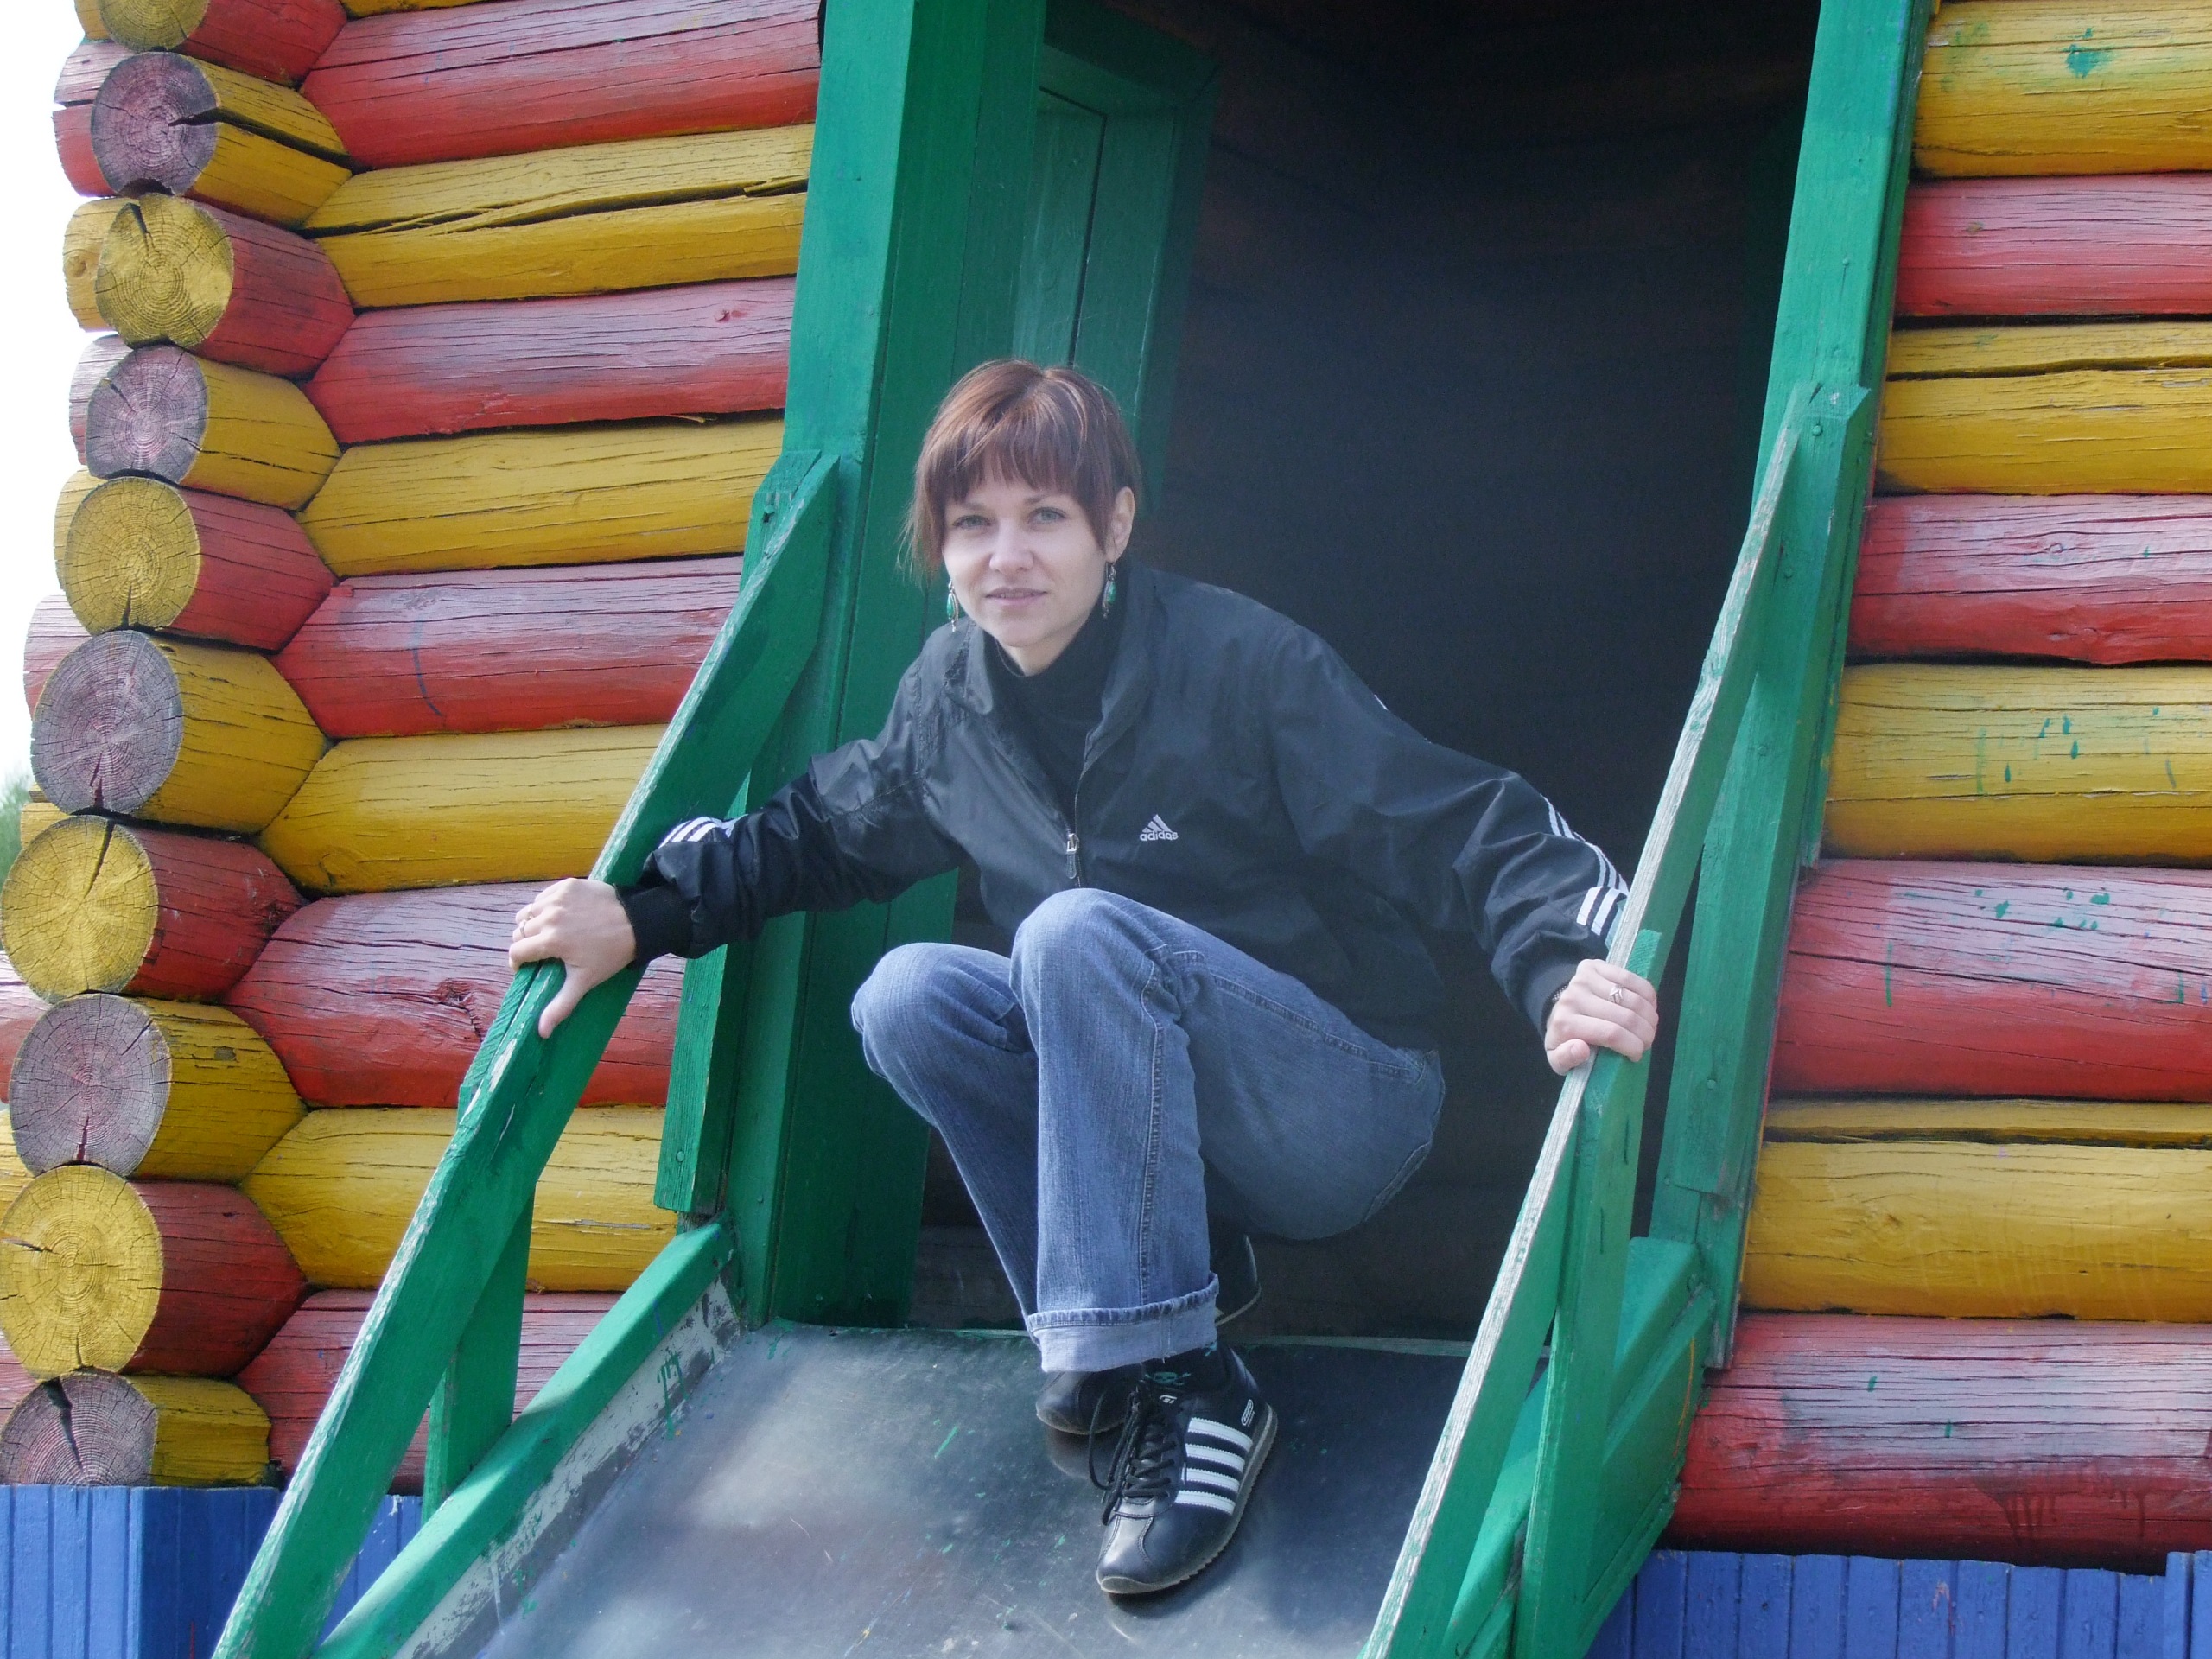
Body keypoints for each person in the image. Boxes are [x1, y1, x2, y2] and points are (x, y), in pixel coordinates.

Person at [508, 359, 1661, 1598]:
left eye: (1045, 515)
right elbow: (823, 830)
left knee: (1070, 935)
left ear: (1115, 525)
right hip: (1172, 1137)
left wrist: (1561, 966)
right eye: (973, 524)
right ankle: (1140, 1348)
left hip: (1344, 1106)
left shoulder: (1237, 664)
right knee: (907, 996)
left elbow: (1453, 822)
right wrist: (640, 916)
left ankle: (1186, 1386)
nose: (1007, 556)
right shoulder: (951, 700)